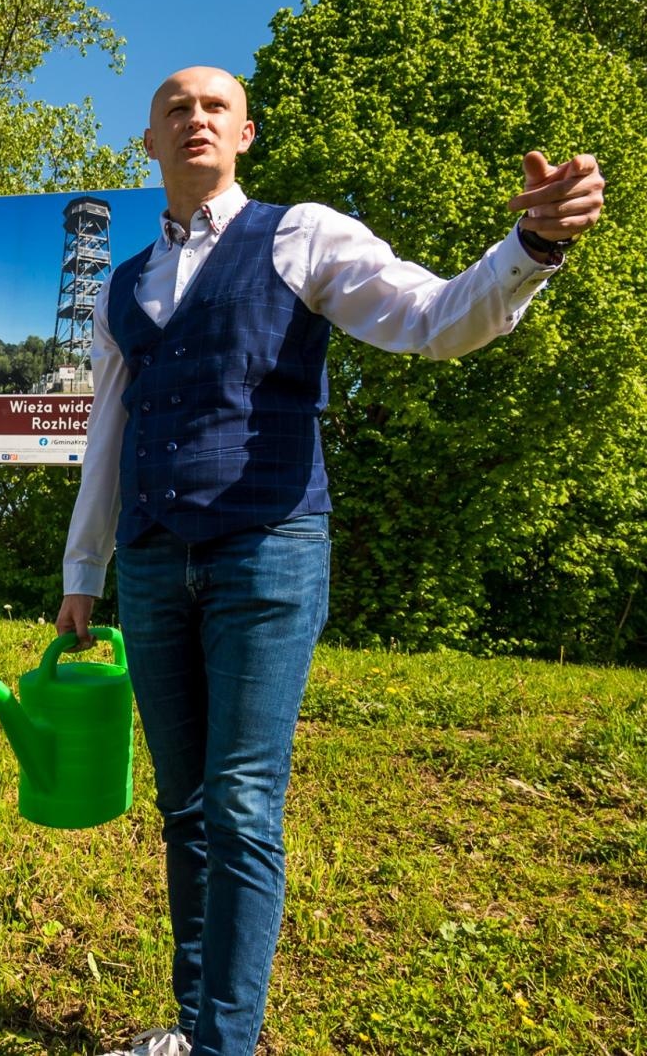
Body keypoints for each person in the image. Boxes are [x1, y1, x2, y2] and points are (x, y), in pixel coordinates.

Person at [57, 67, 604, 1056]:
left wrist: (535, 246)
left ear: (245, 133)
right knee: (183, 806)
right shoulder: (122, 284)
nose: (196, 118)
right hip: (148, 560)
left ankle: (227, 1043)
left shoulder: (301, 234)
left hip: (266, 551)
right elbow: (109, 429)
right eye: (175, 107)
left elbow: (436, 320)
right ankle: (191, 1028)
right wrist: (81, 572)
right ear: (148, 142)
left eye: (215, 106)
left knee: (240, 803)